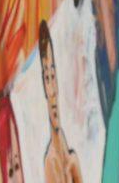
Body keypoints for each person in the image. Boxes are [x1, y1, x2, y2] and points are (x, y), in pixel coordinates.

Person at [38, 21, 82, 183]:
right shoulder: (51, 162)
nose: (52, 91)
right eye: (47, 77)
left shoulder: (70, 158)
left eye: (53, 76)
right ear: (43, 83)